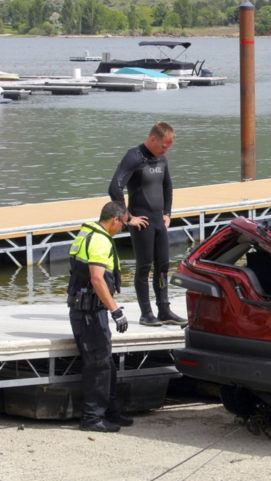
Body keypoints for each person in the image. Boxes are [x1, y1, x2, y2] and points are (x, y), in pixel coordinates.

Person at [108, 122, 186, 327]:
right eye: (164, 146)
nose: (166, 150)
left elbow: (167, 185)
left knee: (162, 267)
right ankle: (146, 313)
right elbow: (115, 187)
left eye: (169, 146)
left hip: (159, 222)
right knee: (144, 267)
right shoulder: (134, 157)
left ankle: (164, 310)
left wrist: (168, 212)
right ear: (153, 139)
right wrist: (128, 218)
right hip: (141, 223)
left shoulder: (161, 157)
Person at [67, 201, 134, 432]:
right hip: (89, 313)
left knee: (106, 363)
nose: (123, 228)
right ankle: (92, 418)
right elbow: (96, 278)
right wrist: (116, 310)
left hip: (88, 310)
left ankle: (110, 411)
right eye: (124, 224)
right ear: (115, 219)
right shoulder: (99, 240)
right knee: (98, 365)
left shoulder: (87, 232)